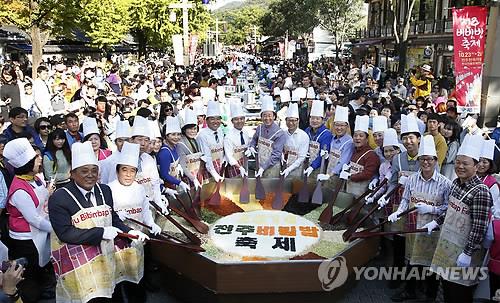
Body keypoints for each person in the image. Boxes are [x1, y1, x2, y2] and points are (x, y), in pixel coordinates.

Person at [48, 141, 148, 302]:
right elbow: (65, 233)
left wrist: (129, 232)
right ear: (72, 174)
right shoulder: (60, 197)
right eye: (84, 171)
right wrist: (101, 232)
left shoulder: (105, 190)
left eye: (94, 170)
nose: (90, 175)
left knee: (112, 292)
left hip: (105, 259)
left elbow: (113, 218)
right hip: (80, 264)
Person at [427, 134, 492, 302]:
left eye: (465, 163)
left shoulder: (481, 192)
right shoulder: (456, 183)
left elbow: (479, 227)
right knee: (447, 287)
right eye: (457, 162)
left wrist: (468, 253)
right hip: (448, 246)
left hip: (464, 251)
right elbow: (450, 209)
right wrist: (436, 221)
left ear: (476, 166)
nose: (460, 166)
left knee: (459, 292)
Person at [388, 135, 451, 301]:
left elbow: (448, 208)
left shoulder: (445, 183)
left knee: (430, 262)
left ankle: (430, 294)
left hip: (433, 229)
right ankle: (410, 290)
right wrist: (398, 212)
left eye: (429, 159)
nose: (426, 163)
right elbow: (405, 200)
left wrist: (432, 208)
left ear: (436, 160)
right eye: (422, 159)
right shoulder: (412, 180)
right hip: (413, 226)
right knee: (412, 260)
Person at [4, 138, 55, 302]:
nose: (39, 159)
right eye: (35, 158)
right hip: (26, 238)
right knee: (31, 272)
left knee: (41, 266)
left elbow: (40, 201)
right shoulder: (19, 190)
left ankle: (44, 289)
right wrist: (56, 228)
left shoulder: (35, 178)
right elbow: (33, 218)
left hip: (40, 232)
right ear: (27, 164)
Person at [378, 114, 422, 289]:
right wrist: (385, 196)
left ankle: (416, 283)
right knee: (399, 242)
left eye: (411, 137)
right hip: (399, 205)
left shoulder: (426, 157)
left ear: (418, 139)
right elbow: (393, 182)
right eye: (405, 138)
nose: (408, 141)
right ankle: (397, 276)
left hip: (418, 207)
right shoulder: (398, 159)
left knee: (416, 244)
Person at [130, 116, 174, 215]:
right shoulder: (120, 161)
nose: (143, 144)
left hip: (150, 207)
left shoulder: (148, 159)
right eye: (139, 139)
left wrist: (158, 201)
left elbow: (155, 183)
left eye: (146, 140)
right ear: (131, 140)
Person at [332, 115, 380, 198]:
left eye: (361, 136)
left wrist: (350, 176)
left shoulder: (371, 155)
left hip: (360, 190)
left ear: (367, 139)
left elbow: (368, 174)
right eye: (355, 135)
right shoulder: (353, 150)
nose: (357, 138)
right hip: (349, 187)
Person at [246, 95, 286, 178]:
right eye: (264, 115)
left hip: (272, 167)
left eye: (269, 115)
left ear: (274, 116)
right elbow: (254, 139)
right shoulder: (259, 128)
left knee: (270, 189)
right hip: (260, 163)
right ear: (261, 117)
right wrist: (252, 146)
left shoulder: (280, 133)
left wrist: (263, 168)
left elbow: (276, 155)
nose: (267, 118)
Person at [158, 116, 189, 192]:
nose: (176, 137)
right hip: (168, 187)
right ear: (166, 136)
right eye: (173, 134)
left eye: (178, 134)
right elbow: (164, 175)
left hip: (175, 182)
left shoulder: (175, 146)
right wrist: (179, 183)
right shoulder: (164, 152)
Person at [304, 100, 333, 181]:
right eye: (312, 118)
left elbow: (323, 154)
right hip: (306, 165)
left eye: (317, 119)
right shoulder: (307, 130)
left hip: (318, 168)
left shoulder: (326, 134)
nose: (314, 121)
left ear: (323, 120)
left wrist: (312, 166)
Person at [197, 100, 225, 182]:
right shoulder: (202, 136)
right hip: (207, 172)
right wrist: (214, 173)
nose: (216, 122)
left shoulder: (220, 131)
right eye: (212, 119)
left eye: (218, 119)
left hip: (219, 168)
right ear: (206, 120)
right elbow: (207, 157)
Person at [176, 109, 203, 190]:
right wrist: (193, 179)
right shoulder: (180, 144)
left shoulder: (195, 140)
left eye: (194, 129)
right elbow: (183, 165)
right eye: (190, 129)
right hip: (187, 177)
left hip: (196, 173)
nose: (193, 131)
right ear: (184, 130)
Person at [280, 103, 309, 179]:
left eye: (293, 120)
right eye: (288, 120)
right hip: (283, 168)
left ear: (298, 120)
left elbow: (302, 157)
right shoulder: (283, 134)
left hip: (297, 171)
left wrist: (289, 169)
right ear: (285, 120)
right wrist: (281, 155)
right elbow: (280, 149)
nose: (291, 123)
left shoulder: (304, 136)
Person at [224, 101, 250, 178]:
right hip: (234, 168)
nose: (239, 121)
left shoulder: (245, 132)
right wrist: (239, 167)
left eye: (242, 119)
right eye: (236, 119)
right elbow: (229, 156)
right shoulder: (228, 137)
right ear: (232, 121)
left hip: (245, 165)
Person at [477, 139, 499, 214]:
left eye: (485, 162)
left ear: (490, 164)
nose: (480, 164)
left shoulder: (492, 183)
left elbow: (494, 208)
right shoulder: (469, 176)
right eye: (478, 161)